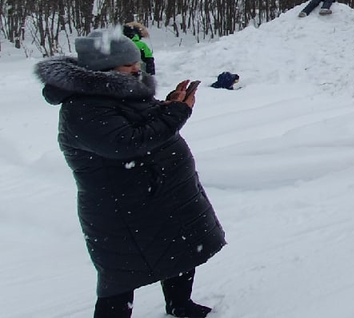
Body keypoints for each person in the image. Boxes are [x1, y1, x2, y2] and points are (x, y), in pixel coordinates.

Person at [34, 29, 225, 317]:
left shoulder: (121, 89)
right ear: (103, 70)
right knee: (121, 275)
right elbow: (128, 143)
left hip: (160, 192)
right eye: (129, 65)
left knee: (180, 249)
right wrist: (177, 114)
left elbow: (139, 120)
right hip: (123, 205)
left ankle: (179, 304)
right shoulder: (83, 106)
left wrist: (168, 105)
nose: (137, 69)